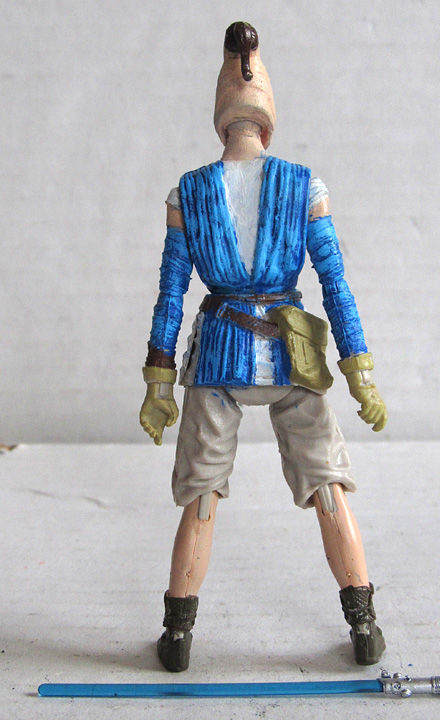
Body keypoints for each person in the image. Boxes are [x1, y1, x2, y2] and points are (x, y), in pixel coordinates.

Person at [140, 21, 388, 672]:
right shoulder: (305, 185)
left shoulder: (189, 193)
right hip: (291, 355)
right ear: (267, 122)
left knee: (202, 497)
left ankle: (177, 635)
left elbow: (170, 295)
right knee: (329, 488)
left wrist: (158, 382)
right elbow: (335, 284)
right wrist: (359, 370)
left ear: (221, 120)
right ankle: (363, 623)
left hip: (218, 355)